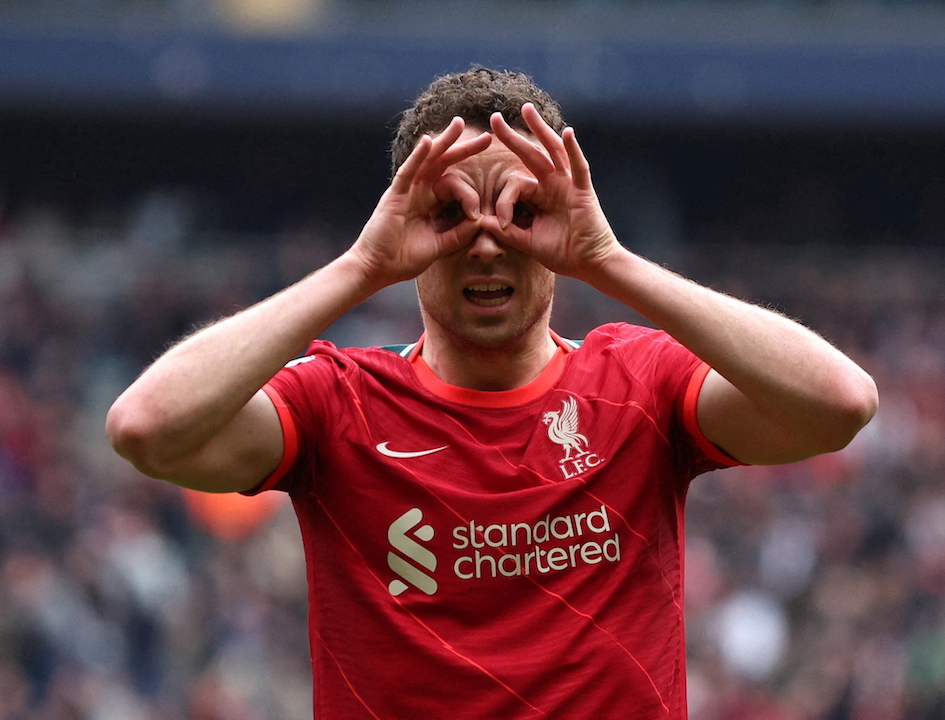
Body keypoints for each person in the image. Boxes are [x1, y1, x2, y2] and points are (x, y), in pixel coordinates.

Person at [106, 67, 879, 718]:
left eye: (520, 212)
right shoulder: (339, 404)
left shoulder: (639, 384)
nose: (484, 241)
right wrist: (360, 266)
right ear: (403, 221)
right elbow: (146, 427)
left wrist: (608, 259)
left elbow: (840, 403)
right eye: (446, 213)